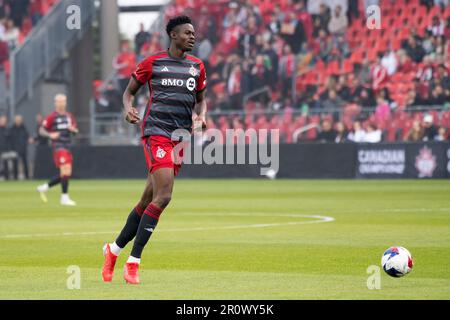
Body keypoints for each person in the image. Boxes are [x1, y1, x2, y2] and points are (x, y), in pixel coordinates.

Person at [101, 16, 208, 285]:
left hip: (180, 138)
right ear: (173, 35)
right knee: (164, 195)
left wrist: (200, 117)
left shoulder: (197, 67)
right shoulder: (153, 62)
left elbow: (201, 102)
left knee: (147, 201)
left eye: (194, 33)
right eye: (187, 33)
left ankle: (113, 250)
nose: (193, 37)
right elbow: (128, 93)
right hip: (157, 133)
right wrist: (128, 110)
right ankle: (134, 262)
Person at [36, 94, 78, 206]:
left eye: (63, 101)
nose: (61, 103)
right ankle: (64, 197)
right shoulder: (52, 117)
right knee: (65, 170)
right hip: (59, 147)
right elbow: (41, 130)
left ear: (65, 102)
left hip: (67, 147)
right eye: (59, 101)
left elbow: (75, 131)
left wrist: (73, 130)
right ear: (55, 103)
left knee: (66, 173)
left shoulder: (69, 116)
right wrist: (50, 135)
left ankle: (44, 187)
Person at [9, 115, 31, 180]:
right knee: (15, 163)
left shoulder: (24, 128)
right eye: (17, 120)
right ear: (15, 121)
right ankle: (15, 177)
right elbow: (10, 139)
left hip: (23, 148)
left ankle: (27, 177)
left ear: (21, 121)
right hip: (15, 149)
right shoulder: (12, 129)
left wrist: (27, 142)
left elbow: (27, 137)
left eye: (19, 120)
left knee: (25, 163)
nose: (18, 121)